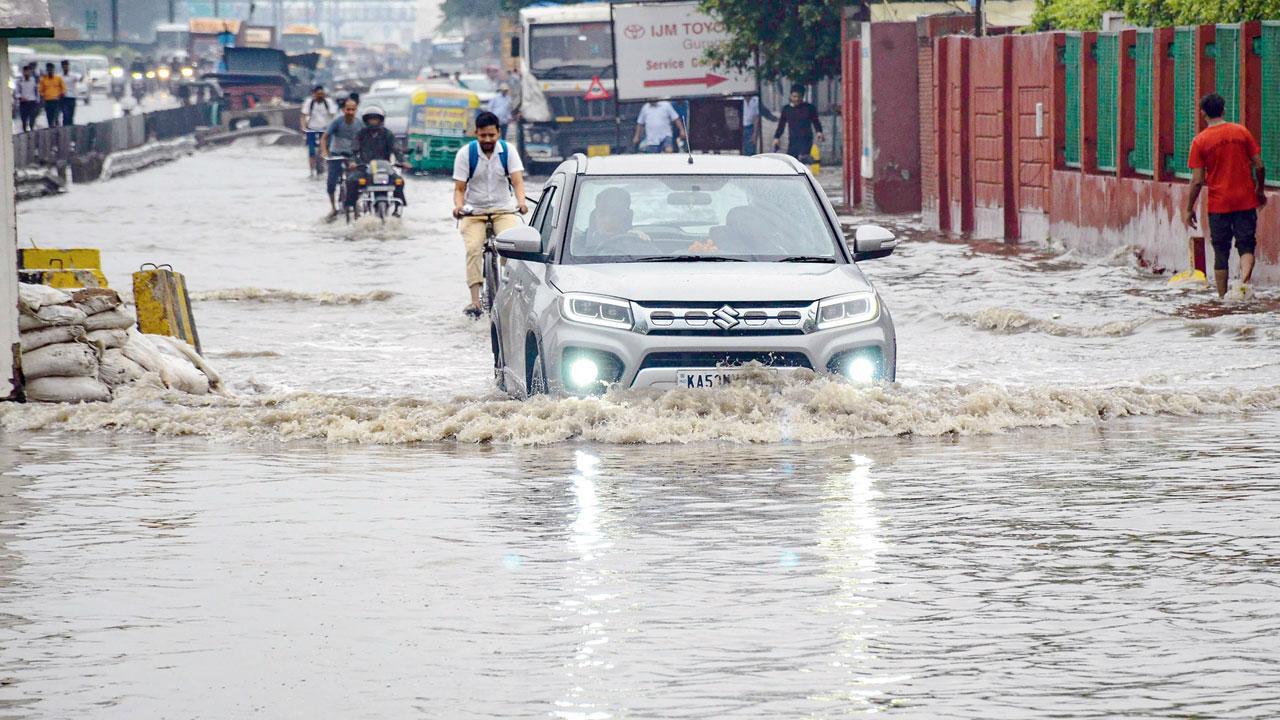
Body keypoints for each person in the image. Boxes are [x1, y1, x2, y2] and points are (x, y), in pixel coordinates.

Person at [1183, 92, 1267, 300]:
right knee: (1246, 245)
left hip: (1218, 204)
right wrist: (1260, 190)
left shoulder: (1200, 141)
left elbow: (1197, 180)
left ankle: (1222, 299)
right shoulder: (1241, 132)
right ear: (1223, 110)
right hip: (1245, 200)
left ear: (1203, 113)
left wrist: (1188, 208)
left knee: (1221, 251)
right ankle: (1242, 287)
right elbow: (1260, 165)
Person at [452, 110, 529, 318]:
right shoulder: (465, 155)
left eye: (491, 135)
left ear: (499, 134)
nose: (487, 140)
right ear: (475, 133)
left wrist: (521, 202)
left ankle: (511, 294)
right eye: (483, 135)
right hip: (474, 211)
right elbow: (459, 189)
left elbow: (517, 181)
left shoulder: (508, 151)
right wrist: (458, 207)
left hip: (503, 209)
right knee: (473, 248)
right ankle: (475, 301)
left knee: (510, 249)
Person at [343, 105, 407, 213]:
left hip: (384, 169)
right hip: (364, 168)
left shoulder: (387, 134)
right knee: (351, 181)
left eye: (375, 119)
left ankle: (398, 207)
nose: (373, 121)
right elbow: (353, 150)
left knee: (399, 181)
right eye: (371, 119)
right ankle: (350, 206)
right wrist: (353, 162)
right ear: (366, 120)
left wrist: (403, 161)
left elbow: (396, 149)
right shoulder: (360, 134)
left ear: (380, 120)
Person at [320, 98, 363, 217]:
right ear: (344, 109)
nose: (350, 112)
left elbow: (364, 140)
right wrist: (324, 152)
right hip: (336, 155)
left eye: (353, 110)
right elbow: (324, 138)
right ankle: (333, 208)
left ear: (356, 110)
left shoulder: (359, 123)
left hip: (352, 156)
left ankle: (356, 202)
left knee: (356, 180)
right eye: (348, 109)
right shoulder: (337, 122)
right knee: (331, 182)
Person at [772, 86, 824, 162]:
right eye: (794, 96)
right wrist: (777, 137)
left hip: (806, 139)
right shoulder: (787, 109)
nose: (796, 99)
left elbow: (816, 121)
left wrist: (819, 132)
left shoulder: (809, 108)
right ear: (790, 96)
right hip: (793, 140)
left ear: (802, 97)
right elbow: (781, 125)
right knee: (791, 161)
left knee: (803, 158)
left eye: (799, 97)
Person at [300, 85, 337, 178]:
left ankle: (324, 166)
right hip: (311, 129)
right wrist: (303, 127)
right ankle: (311, 171)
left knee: (324, 149)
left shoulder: (328, 102)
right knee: (311, 151)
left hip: (324, 130)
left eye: (322, 94)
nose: (320, 96)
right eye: (318, 94)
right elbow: (303, 116)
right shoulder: (309, 102)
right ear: (314, 94)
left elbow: (333, 115)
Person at [38, 62, 65, 128]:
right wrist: (42, 97)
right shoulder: (43, 80)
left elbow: (63, 88)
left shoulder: (58, 79)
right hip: (47, 101)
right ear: (47, 70)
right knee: (49, 116)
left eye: (51, 69)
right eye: (49, 69)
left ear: (53, 70)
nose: (50, 71)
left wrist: (60, 95)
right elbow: (41, 90)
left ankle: (56, 126)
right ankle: (51, 128)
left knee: (56, 116)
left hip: (56, 100)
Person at [15, 64, 40, 132]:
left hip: (32, 101)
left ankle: (31, 131)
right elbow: (16, 92)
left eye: (28, 71)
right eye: (25, 71)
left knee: (32, 119)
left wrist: (38, 101)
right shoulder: (19, 81)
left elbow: (36, 91)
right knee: (24, 119)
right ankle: (25, 131)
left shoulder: (33, 80)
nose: (27, 73)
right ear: (23, 72)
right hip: (23, 102)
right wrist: (20, 97)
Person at [59, 59, 81, 126]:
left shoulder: (73, 76)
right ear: (62, 67)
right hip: (63, 97)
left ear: (68, 66)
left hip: (72, 97)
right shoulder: (59, 77)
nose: (65, 67)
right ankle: (65, 128)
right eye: (64, 66)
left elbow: (80, 79)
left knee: (71, 115)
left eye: (66, 66)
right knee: (65, 114)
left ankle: (70, 128)